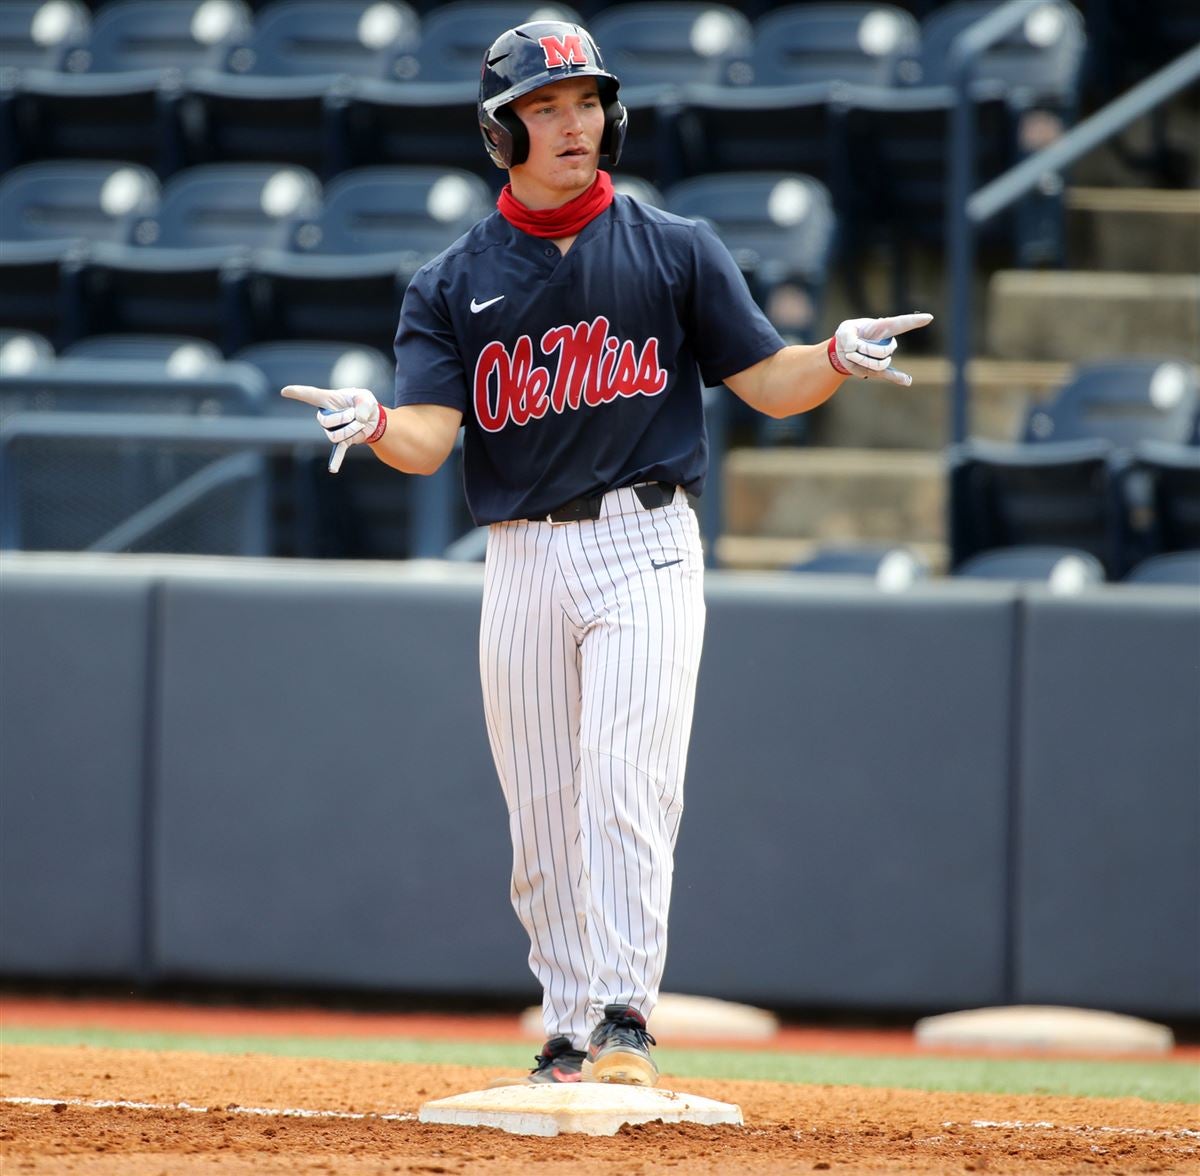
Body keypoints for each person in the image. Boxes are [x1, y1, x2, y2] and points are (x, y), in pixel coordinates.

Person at [282, 20, 932, 1088]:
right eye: (545, 106)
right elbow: (432, 439)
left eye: (584, 100)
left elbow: (767, 379)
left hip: (648, 544)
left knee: (626, 782)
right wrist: (374, 420)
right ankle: (569, 1021)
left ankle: (624, 1013)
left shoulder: (676, 247)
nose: (574, 121)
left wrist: (832, 357)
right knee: (541, 816)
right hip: (524, 557)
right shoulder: (450, 284)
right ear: (502, 133)